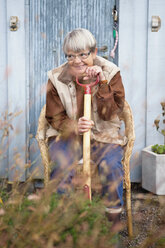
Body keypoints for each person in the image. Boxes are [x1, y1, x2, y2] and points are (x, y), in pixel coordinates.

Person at [45, 28, 127, 231]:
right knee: (62, 167)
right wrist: (74, 127)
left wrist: (103, 83)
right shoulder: (56, 78)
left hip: (104, 136)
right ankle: (63, 224)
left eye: (83, 54)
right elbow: (53, 116)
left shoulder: (110, 72)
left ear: (94, 52)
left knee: (111, 166)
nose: (77, 61)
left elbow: (111, 114)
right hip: (67, 137)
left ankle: (112, 226)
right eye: (71, 56)